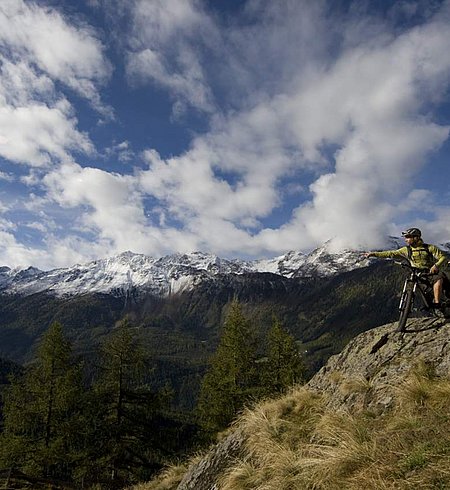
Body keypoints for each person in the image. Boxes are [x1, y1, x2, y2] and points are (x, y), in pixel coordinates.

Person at [365, 228, 449, 308]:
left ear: (416, 237)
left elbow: (443, 257)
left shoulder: (429, 248)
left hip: (429, 272)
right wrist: (374, 254)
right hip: (416, 273)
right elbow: (391, 253)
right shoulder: (406, 250)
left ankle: (437, 303)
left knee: (438, 279)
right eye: (405, 237)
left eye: (408, 237)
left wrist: (436, 265)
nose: (405, 239)